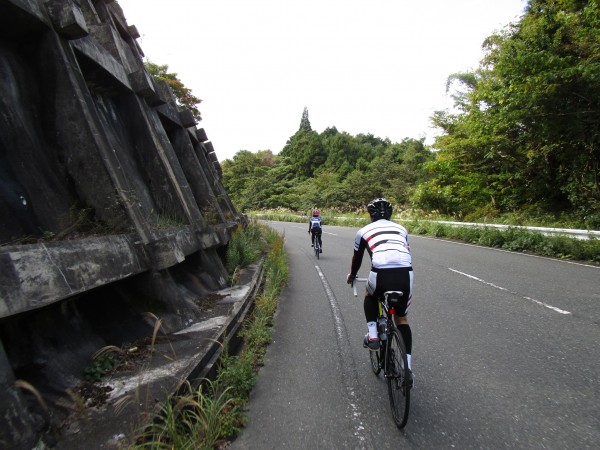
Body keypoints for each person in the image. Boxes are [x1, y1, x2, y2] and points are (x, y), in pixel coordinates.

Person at [346, 197, 414, 382]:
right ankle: (407, 369)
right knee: (401, 318)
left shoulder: (363, 231)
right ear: (390, 214)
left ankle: (374, 335)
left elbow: (357, 259)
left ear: (370, 215)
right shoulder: (402, 229)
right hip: (405, 273)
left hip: (380, 273)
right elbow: (403, 252)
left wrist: (352, 275)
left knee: (370, 294)